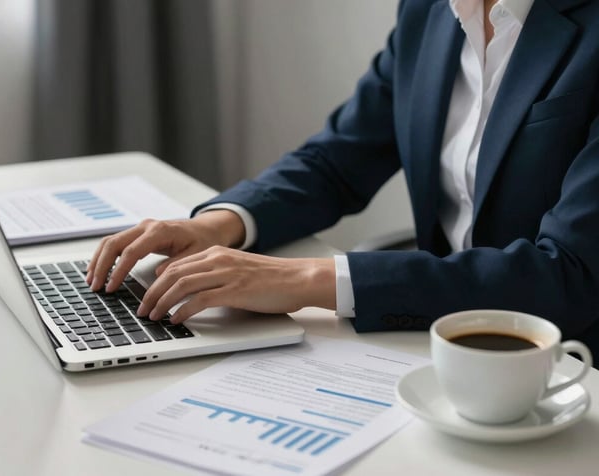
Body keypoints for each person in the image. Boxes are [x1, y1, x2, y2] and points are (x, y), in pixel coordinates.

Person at [87, 0, 599, 357]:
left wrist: (307, 280)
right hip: (433, 342)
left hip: (569, 365)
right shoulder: (429, 13)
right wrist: (219, 225)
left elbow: (569, 274)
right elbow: (337, 161)